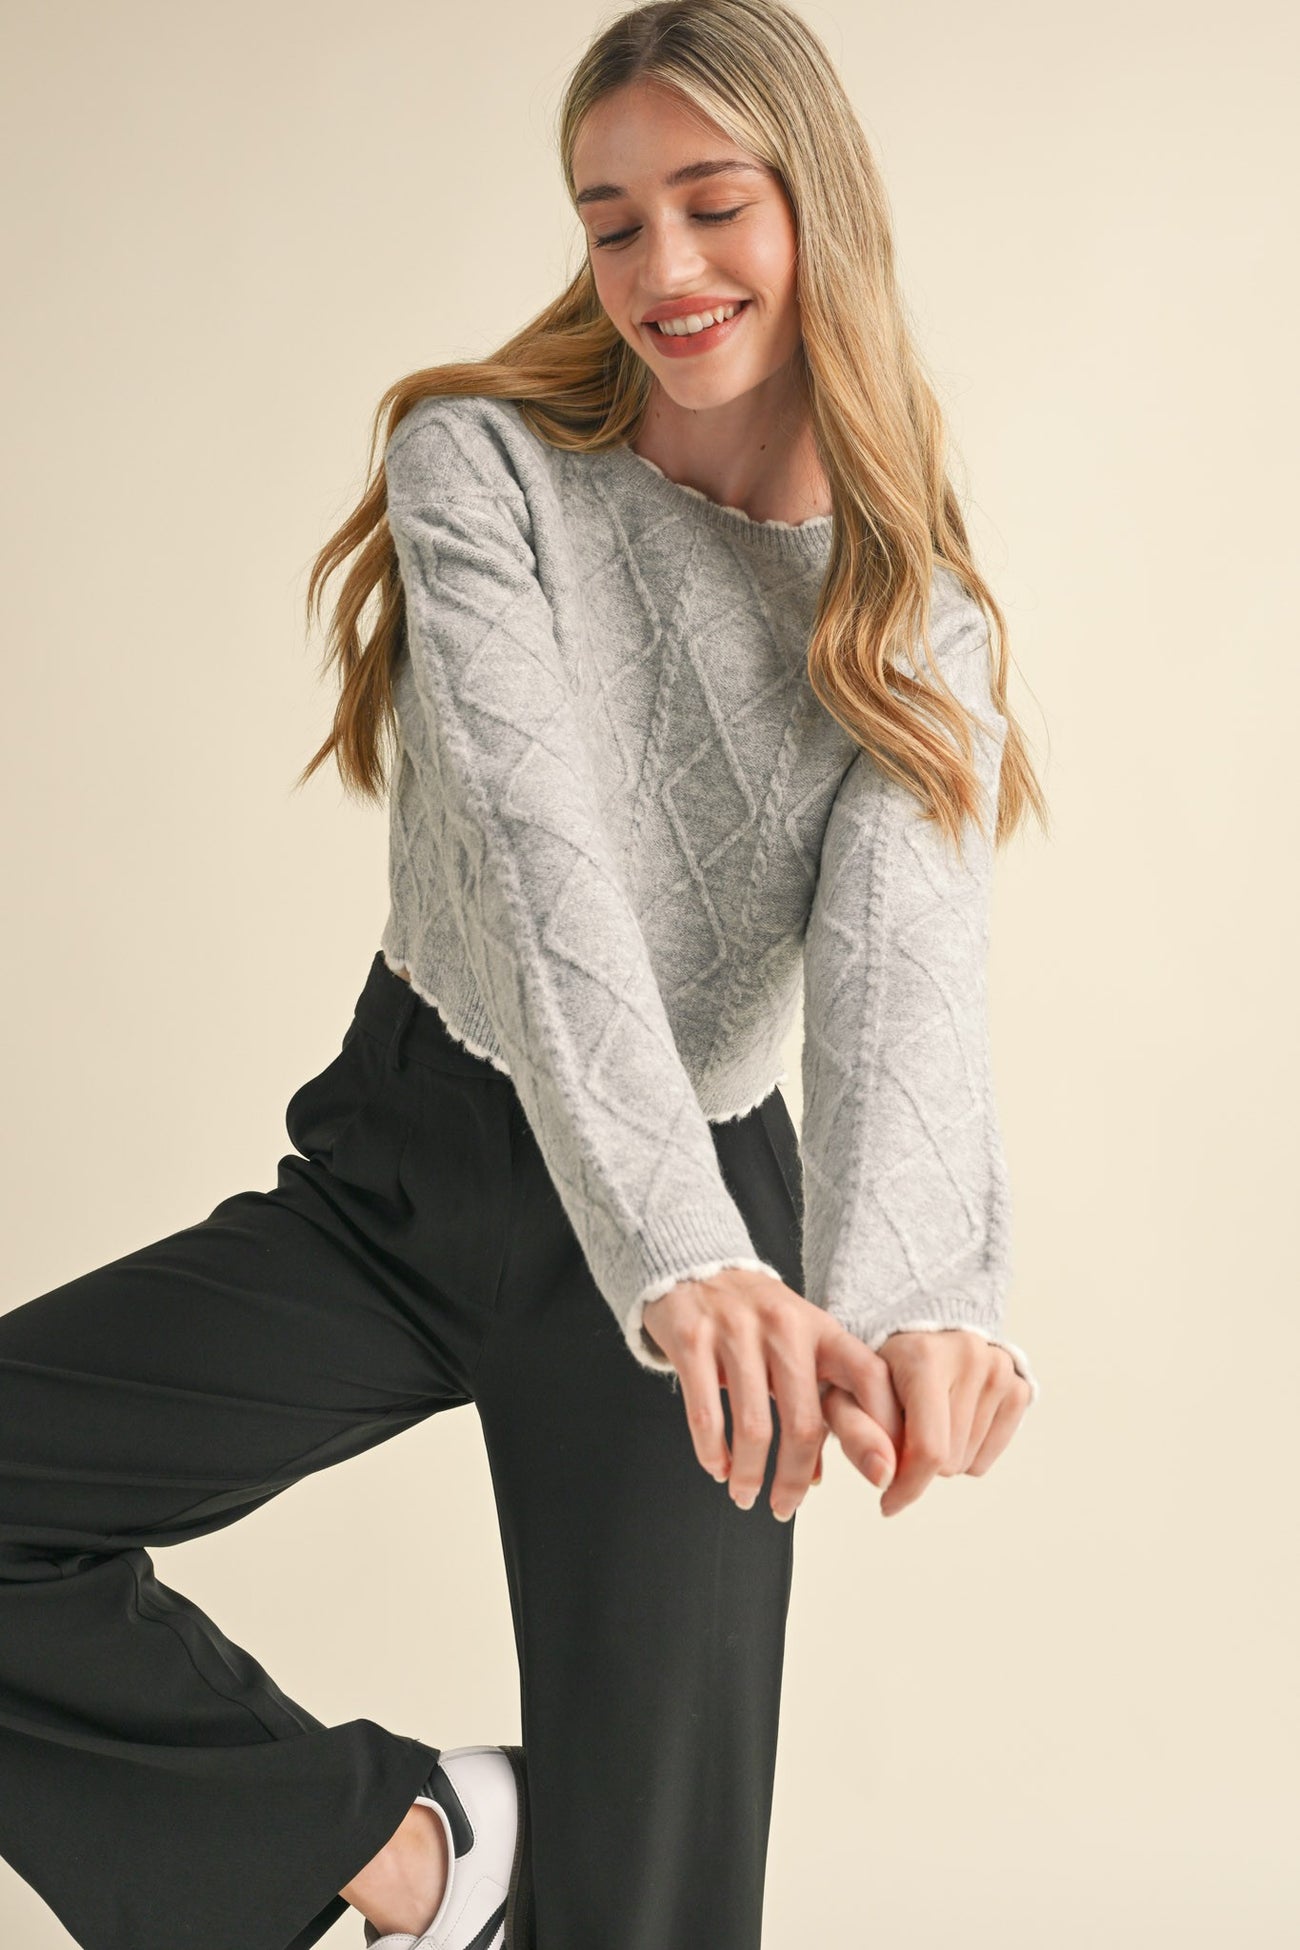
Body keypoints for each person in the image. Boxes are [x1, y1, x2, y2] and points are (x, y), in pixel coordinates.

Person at [0, 3, 1047, 1948]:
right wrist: (679, 1252)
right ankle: (421, 1847)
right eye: (610, 220)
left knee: (650, 1908)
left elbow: (906, 980)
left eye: (711, 205)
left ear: (818, 207)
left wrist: (920, 1299)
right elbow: (541, 863)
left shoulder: (916, 620)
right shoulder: (480, 467)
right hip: (422, 1160)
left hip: (702, 1227)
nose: (662, 267)